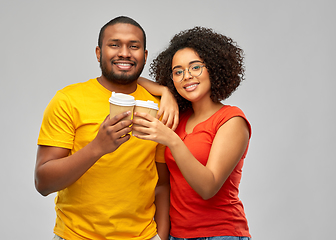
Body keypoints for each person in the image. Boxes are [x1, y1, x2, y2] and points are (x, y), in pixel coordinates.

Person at [34, 16, 177, 240]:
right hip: (76, 236)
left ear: (144, 56)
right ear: (99, 53)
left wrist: (162, 236)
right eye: (114, 44)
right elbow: (43, 183)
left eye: (134, 46)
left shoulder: (159, 107)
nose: (124, 53)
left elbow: (162, 184)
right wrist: (97, 147)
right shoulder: (68, 100)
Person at [132, 27, 252, 240]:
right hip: (176, 235)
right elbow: (132, 80)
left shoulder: (232, 120)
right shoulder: (178, 118)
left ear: (214, 68)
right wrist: (164, 91)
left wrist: (171, 139)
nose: (187, 76)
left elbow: (208, 187)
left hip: (220, 234)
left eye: (195, 67)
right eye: (178, 72)